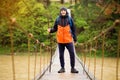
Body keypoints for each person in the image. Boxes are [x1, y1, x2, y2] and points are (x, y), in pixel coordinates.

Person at [48, 7, 78, 73]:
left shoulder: (70, 19)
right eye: (62, 11)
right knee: (61, 55)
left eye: (64, 11)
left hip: (69, 40)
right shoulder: (57, 19)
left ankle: (72, 68)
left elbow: (73, 29)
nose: (63, 12)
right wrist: (50, 30)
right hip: (60, 41)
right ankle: (62, 68)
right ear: (60, 12)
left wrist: (75, 39)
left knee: (72, 54)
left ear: (66, 11)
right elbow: (55, 28)